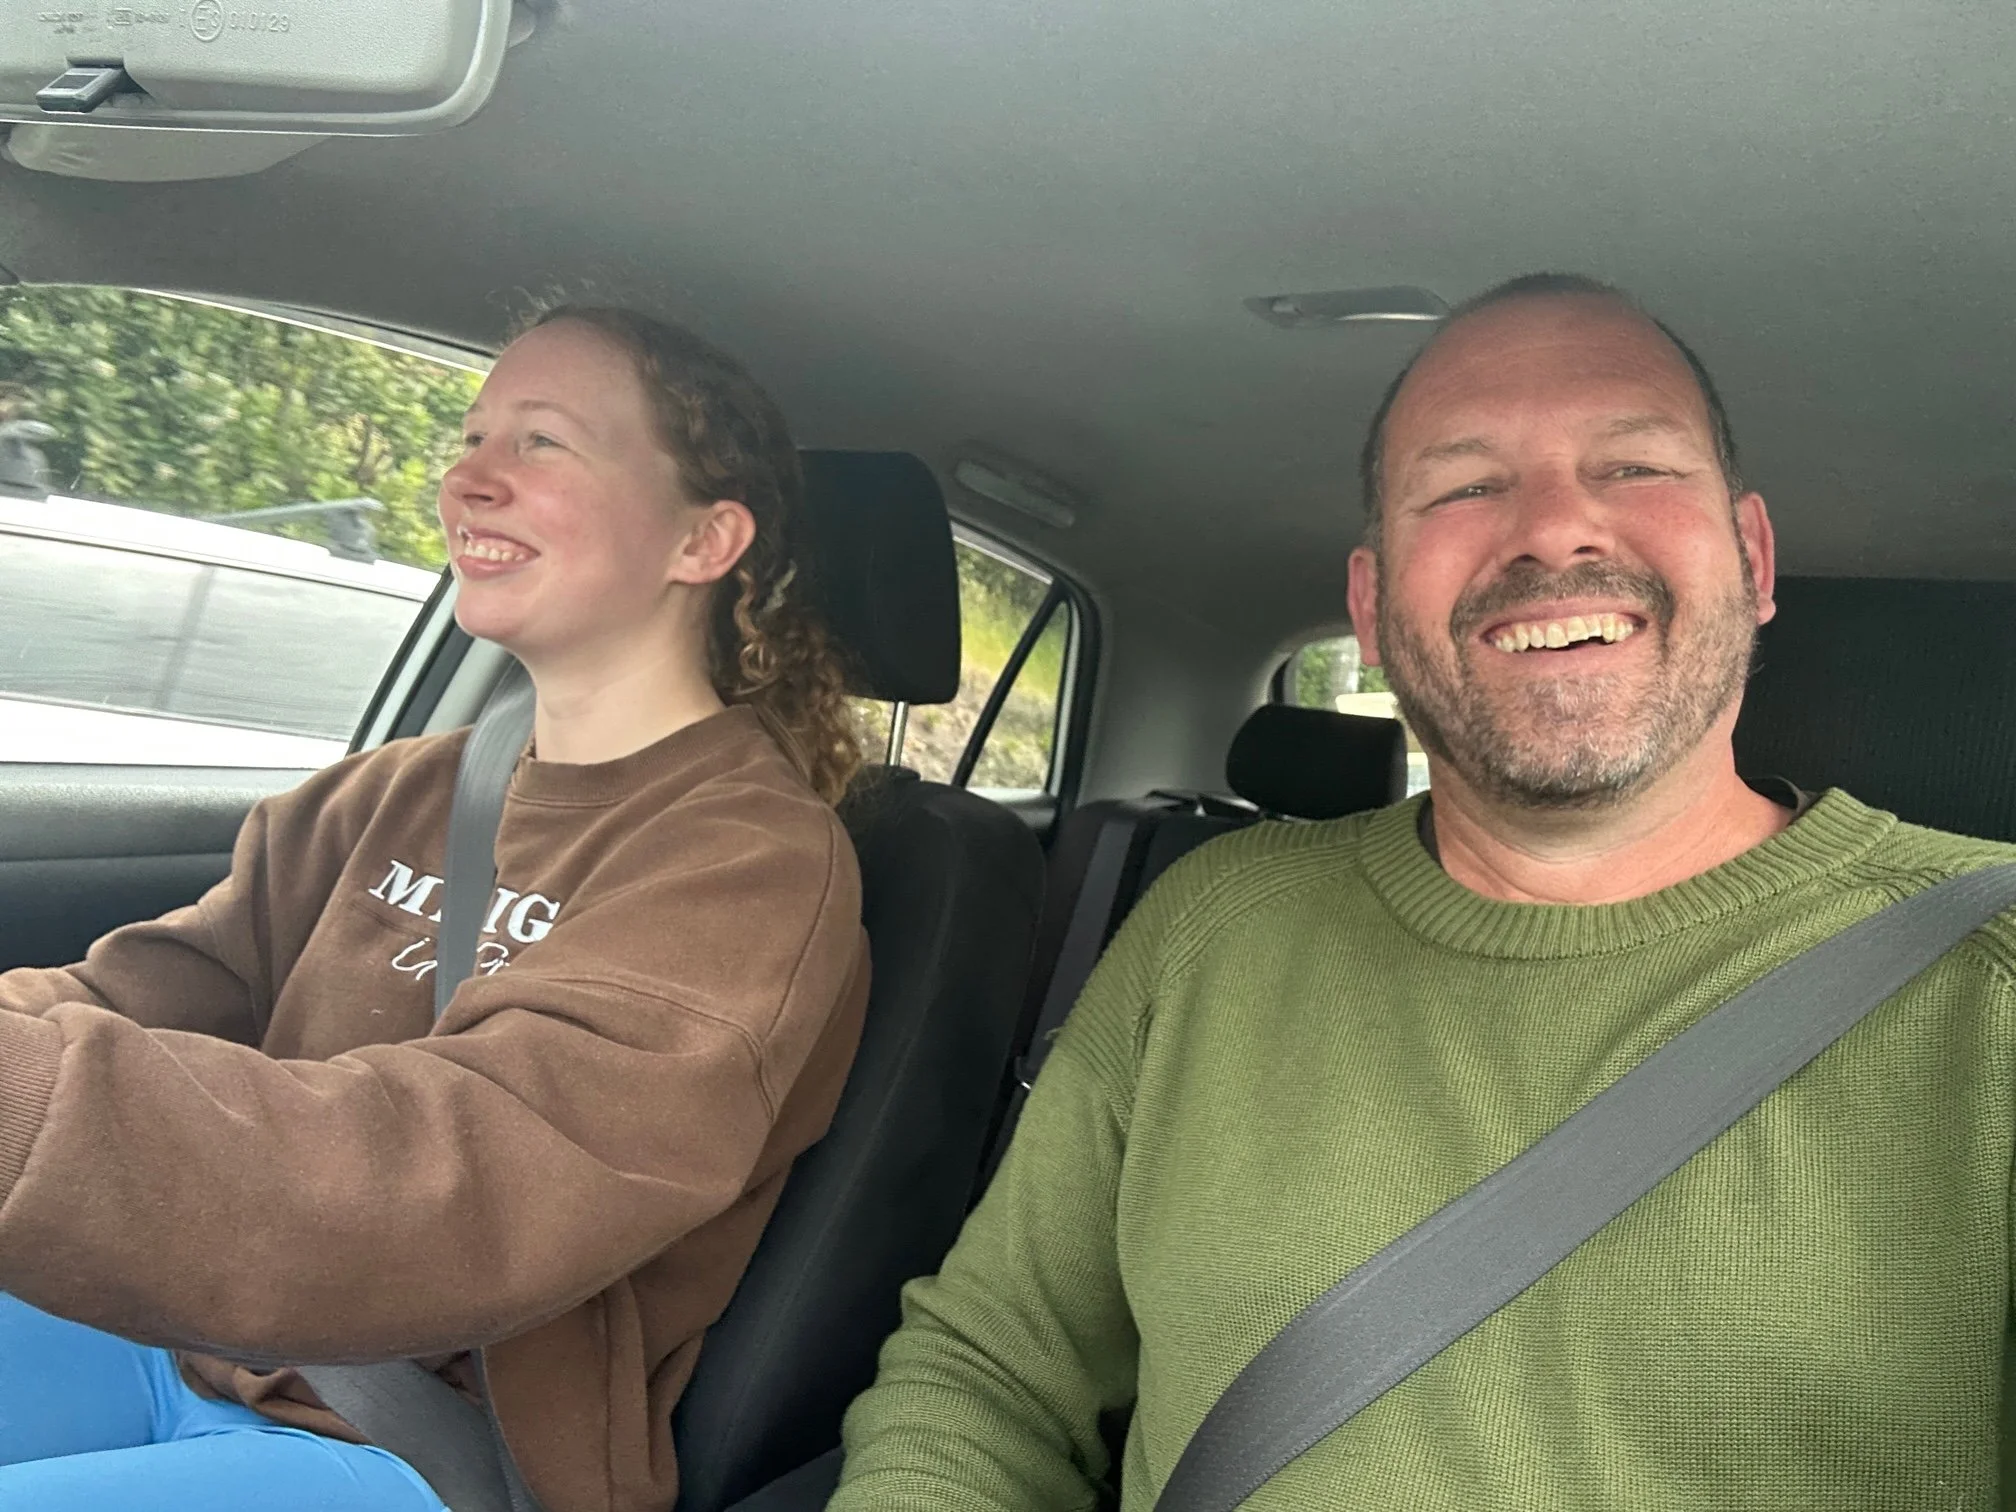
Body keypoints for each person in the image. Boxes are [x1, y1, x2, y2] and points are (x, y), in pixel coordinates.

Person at [828, 274, 2016, 1509]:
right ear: (1373, 609)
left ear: (1756, 559)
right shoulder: (1209, 929)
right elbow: (989, 1375)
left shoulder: (1992, 987)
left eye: (1635, 468)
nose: (1554, 532)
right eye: (1464, 486)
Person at [0, 306, 871, 1512]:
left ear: (703, 538)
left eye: (543, 443)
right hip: (193, 1335)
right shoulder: (404, 789)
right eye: (470, 439)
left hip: (412, 1448)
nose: (468, 477)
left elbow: (454, 1188)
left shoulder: (751, 865)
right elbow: (146, 993)